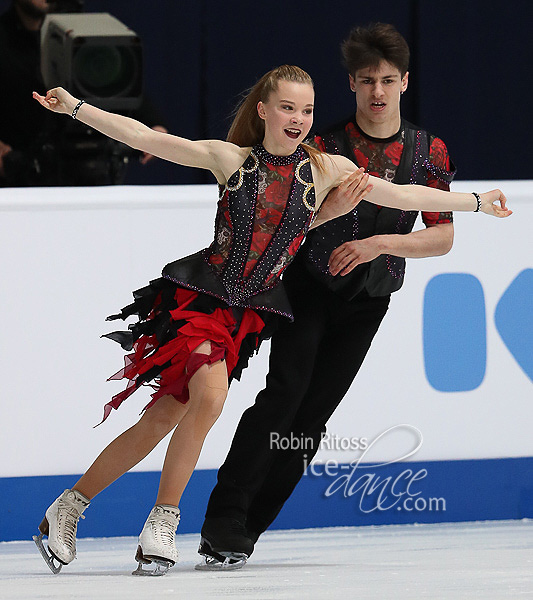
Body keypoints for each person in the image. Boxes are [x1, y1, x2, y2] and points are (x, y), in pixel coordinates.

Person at [31, 64, 509, 576]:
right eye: (287, 107)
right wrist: (77, 108)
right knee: (210, 398)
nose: (299, 118)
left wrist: (475, 202)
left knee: (163, 418)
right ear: (263, 110)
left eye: (307, 110)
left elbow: (406, 195)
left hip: (244, 320)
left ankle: (68, 508)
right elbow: (143, 135)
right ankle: (163, 520)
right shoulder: (230, 159)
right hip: (200, 303)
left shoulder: (326, 169)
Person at [198, 23, 475, 570]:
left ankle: (248, 528)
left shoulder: (427, 150)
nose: (378, 91)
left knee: (313, 418)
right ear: (351, 83)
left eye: (388, 80)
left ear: (404, 82)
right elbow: (279, 211)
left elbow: (442, 235)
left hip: (368, 301)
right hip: (308, 290)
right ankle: (225, 516)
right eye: (367, 80)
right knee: (284, 396)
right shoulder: (323, 145)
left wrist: (381, 242)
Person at [0, 0, 167, 186]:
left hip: (86, 163)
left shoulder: (74, 32)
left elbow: (110, 79)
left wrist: (153, 125)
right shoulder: (5, 40)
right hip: (21, 172)